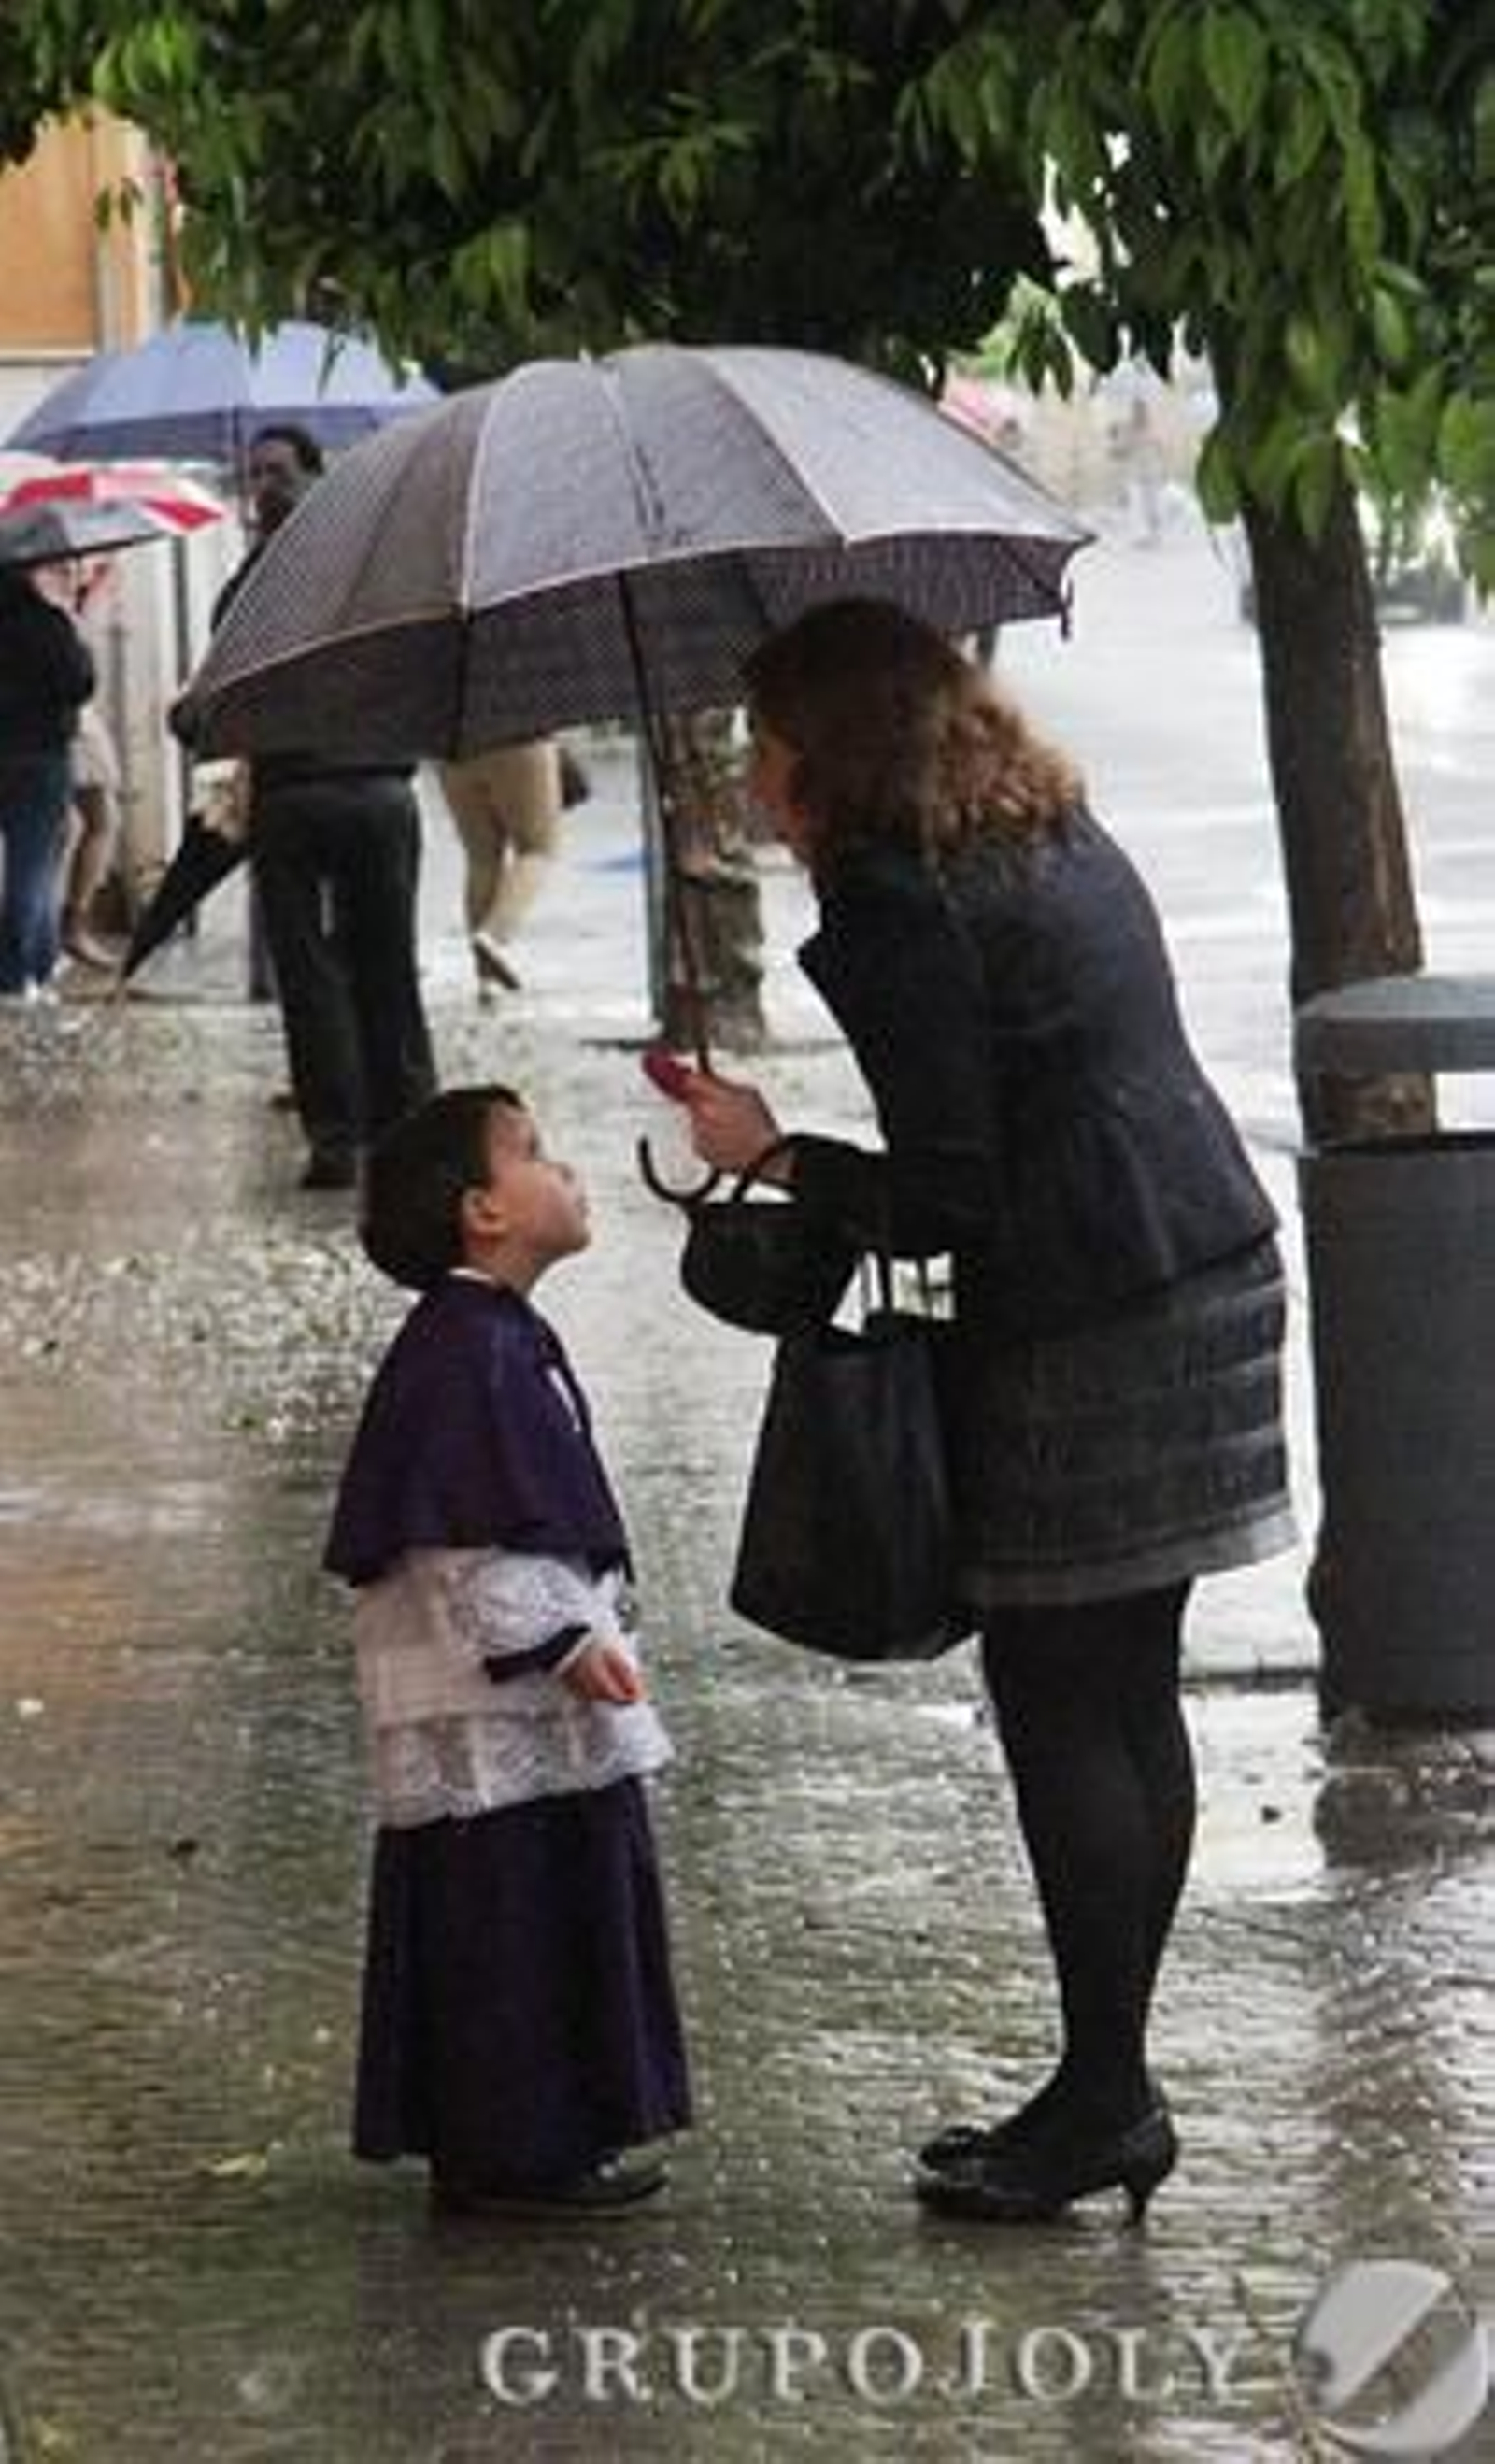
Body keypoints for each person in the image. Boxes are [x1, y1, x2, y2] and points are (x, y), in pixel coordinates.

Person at [679, 598, 1293, 2227]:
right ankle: (1108, 2084)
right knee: (1122, 1692)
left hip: (1091, 1309)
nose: (752, 771)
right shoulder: (1033, 819)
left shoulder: (892, 897)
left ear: (829, 760)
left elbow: (951, 1194)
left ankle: (1104, 2094)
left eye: (767, 743)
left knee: (1060, 1700)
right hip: (1203, 1254)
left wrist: (771, 1151)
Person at [325, 1084, 691, 2215]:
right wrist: (560, 1635)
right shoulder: (467, 1351)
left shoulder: (487, 1338)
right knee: (513, 1914)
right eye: (536, 1153)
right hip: (501, 1697)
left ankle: (534, 2137)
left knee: (534, 1901)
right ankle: (511, 2145)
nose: (566, 1169)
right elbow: (459, 1525)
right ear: (483, 1210)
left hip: (520, 1691)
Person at [215, 424, 436, 1189]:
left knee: (354, 970)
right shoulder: (370, 568)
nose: (264, 488)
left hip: (342, 792)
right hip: (328, 795)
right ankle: (369, 1133)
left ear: (314, 475)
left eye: (276, 472)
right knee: (330, 973)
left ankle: (368, 1133)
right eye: (255, 476)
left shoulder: (258, 583)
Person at [436, 738, 563, 997]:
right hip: (519, 739)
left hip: (455, 753)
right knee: (537, 850)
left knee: (482, 860)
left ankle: (486, 981)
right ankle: (493, 935)